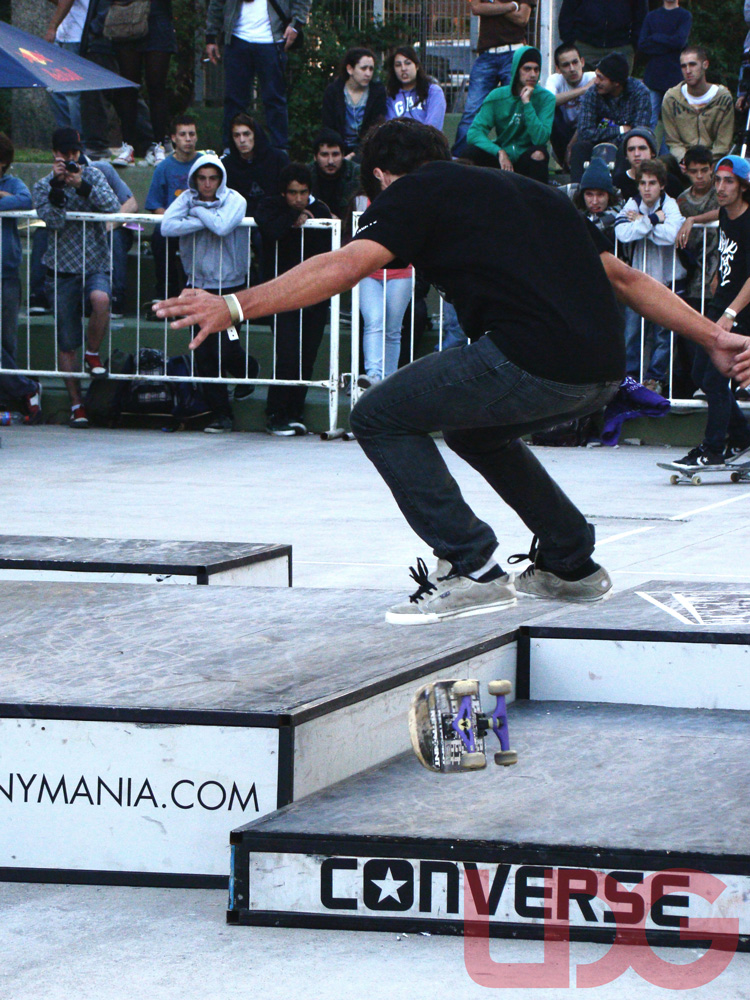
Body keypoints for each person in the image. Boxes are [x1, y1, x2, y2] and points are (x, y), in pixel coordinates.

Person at [155, 120, 750, 625]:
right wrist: (714, 338)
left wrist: (234, 305)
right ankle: (571, 563)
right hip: (599, 372)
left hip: (527, 357)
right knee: (473, 431)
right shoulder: (532, 191)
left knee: (379, 415)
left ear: (382, 175)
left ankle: (471, 565)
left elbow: (345, 265)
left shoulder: (414, 190)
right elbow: (624, 278)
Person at [161, 154, 258, 433]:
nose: (207, 184)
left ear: (221, 179)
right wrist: (205, 218)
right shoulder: (186, 198)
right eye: (202, 178)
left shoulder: (235, 199)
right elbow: (167, 226)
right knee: (204, 352)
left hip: (231, 285)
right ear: (194, 179)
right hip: (198, 284)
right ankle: (221, 414)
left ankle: (248, 369)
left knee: (228, 345)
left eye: (212, 178)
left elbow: (222, 227)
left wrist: (198, 213)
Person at [33, 128, 121, 428]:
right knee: (67, 341)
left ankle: (93, 352)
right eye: (64, 154)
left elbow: (112, 207)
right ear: (55, 154)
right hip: (61, 267)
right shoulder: (43, 185)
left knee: (101, 299)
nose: (71, 159)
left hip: (95, 261)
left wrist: (81, 184)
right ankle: (76, 404)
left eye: (74, 153)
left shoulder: (94, 175)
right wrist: (58, 189)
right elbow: (53, 221)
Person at [672, 156, 750, 469]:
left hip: (740, 310)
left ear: (743, 186)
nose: (720, 187)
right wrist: (692, 219)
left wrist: (731, 314)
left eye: (728, 181)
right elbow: (716, 214)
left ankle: (713, 448)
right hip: (722, 304)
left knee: (716, 380)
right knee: (698, 373)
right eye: (718, 180)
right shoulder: (726, 214)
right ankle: (742, 435)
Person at [255, 164, 332, 436]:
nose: (298, 198)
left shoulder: (321, 211)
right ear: (283, 192)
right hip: (281, 295)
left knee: (307, 356)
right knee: (287, 354)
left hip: (314, 295)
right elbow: (271, 229)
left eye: (303, 192)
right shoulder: (270, 206)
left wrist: (303, 216)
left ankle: (294, 412)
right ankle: (276, 414)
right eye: (292, 193)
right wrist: (293, 217)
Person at [614, 158, 686, 393]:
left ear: (661, 185)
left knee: (664, 333)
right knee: (632, 331)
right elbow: (622, 232)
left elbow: (671, 235)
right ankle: (630, 377)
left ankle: (655, 378)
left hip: (667, 278)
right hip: (639, 279)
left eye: (652, 183)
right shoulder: (633, 203)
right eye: (643, 183)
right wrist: (654, 220)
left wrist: (642, 226)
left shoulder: (670, 205)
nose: (647, 188)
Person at [206, 0, 311, 153]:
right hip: (237, 38)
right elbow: (217, 2)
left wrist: (296, 24)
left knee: (275, 100)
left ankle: (279, 151)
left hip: (272, 39)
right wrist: (211, 36)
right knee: (234, 100)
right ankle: (231, 150)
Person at [451, 0, 536, 158]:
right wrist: (511, 6)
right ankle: (459, 158)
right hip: (486, 54)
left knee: (515, 108)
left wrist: (493, 6)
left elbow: (522, 18)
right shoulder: (510, 5)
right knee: (472, 110)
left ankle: (516, 157)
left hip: (514, 52)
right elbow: (476, 8)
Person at [79, 0, 158, 164]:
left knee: (100, 94)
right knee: (123, 93)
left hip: (111, 35)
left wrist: (95, 28)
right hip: (116, 35)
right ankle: (148, 142)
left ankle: (98, 145)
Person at [464, 45, 555, 183]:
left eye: (536, 69)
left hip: (527, 158)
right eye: (527, 69)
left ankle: (537, 196)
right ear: (516, 70)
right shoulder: (497, 96)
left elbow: (540, 139)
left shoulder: (546, 98)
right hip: (502, 158)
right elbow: (474, 133)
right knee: (470, 152)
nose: (533, 74)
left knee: (539, 154)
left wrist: (527, 103)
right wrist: (499, 152)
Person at [0, 134, 42, 422]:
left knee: (7, 340)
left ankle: (9, 399)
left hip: (7, 272)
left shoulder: (12, 184)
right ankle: (27, 389)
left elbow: (27, 200)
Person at [110, 0, 178, 167]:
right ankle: (128, 146)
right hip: (127, 16)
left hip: (157, 18)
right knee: (128, 87)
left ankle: (159, 145)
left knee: (157, 86)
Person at [569, 52, 652, 183]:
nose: (596, 82)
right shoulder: (592, 93)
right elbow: (584, 132)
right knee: (579, 147)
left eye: (601, 78)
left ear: (616, 83)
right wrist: (620, 130)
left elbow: (638, 133)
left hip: (624, 146)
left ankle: (621, 190)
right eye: (596, 75)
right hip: (595, 144)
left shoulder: (640, 93)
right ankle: (577, 189)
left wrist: (606, 136)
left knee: (628, 148)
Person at [144, 116, 201, 301]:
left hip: (199, 223)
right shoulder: (164, 167)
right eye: (183, 134)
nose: (188, 139)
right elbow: (155, 205)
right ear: (174, 138)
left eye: (192, 134)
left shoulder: (205, 164)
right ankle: (165, 292)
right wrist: (175, 221)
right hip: (172, 225)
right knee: (159, 235)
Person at [661, 46, 735, 166]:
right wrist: (685, 159)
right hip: (683, 162)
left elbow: (723, 143)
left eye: (692, 64)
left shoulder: (722, 98)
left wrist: (704, 162)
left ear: (705, 65)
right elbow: (673, 141)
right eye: (683, 66)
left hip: (714, 162)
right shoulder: (671, 98)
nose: (688, 71)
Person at [636, 0, 692, 139]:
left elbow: (679, 42)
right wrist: (668, 45)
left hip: (674, 78)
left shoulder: (684, 16)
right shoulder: (651, 16)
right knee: (648, 122)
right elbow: (643, 45)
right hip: (653, 77)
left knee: (673, 126)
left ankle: (669, 154)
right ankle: (646, 150)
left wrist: (656, 37)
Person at [322, 48, 387, 159]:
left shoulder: (377, 92)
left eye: (371, 69)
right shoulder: (333, 92)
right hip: (337, 149)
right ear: (350, 69)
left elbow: (376, 127)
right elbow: (328, 126)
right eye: (363, 68)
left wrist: (356, 154)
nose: (368, 74)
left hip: (367, 150)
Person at [221, 113, 289, 219]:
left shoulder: (278, 159)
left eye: (246, 134)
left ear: (255, 134)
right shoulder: (226, 165)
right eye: (237, 135)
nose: (242, 140)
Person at [558, 0, 648, 72]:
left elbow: (641, 16)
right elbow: (566, 14)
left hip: (621, 48)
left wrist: (632, 45)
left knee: (619, 89)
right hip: (584, 48)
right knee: (582, 88)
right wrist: (572, 43)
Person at [544, 43, 595, 168]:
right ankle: (565, 163)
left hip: (587, 129)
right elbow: (548, 103)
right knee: (551, 113)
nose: (572, 69)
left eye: (575, 62)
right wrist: (583, 90)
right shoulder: (555, 80)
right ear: (558, 69)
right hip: (564, 131)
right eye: (566, 65)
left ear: (582, 62)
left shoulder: (593, 77)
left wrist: (571, 144)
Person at [44, 0, 89, 138]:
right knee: (52, 88)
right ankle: (68, 136)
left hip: (77, 33)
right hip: (64, 34)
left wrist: (52, 27)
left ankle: (77, 139)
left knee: (72, 92)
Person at [385, 46, 446, 131]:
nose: (403, 69)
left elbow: (433, 127)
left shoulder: (433, 92)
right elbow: (390, 129)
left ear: (417, 66)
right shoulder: (390, 96)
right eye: (398, 65)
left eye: (408, 63)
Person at [613, 127, 682, 200]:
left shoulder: (670, 182)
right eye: (631, 149)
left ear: (652, 152)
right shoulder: (617, 183)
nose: (636, 154)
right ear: (626, 155)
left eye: (642, 148)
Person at [308, 129, 360, 223]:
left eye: (335, 155)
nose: (330, 161)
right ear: (315, 157)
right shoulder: (306, 175)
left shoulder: (357, 174)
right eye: (324, 155)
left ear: (343, 155)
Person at [571, 158, 620, 245]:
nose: (594, 201)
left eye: (600, 195)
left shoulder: (619, 215)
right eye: (589, 194)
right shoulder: (574, 213)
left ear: (609, 196)